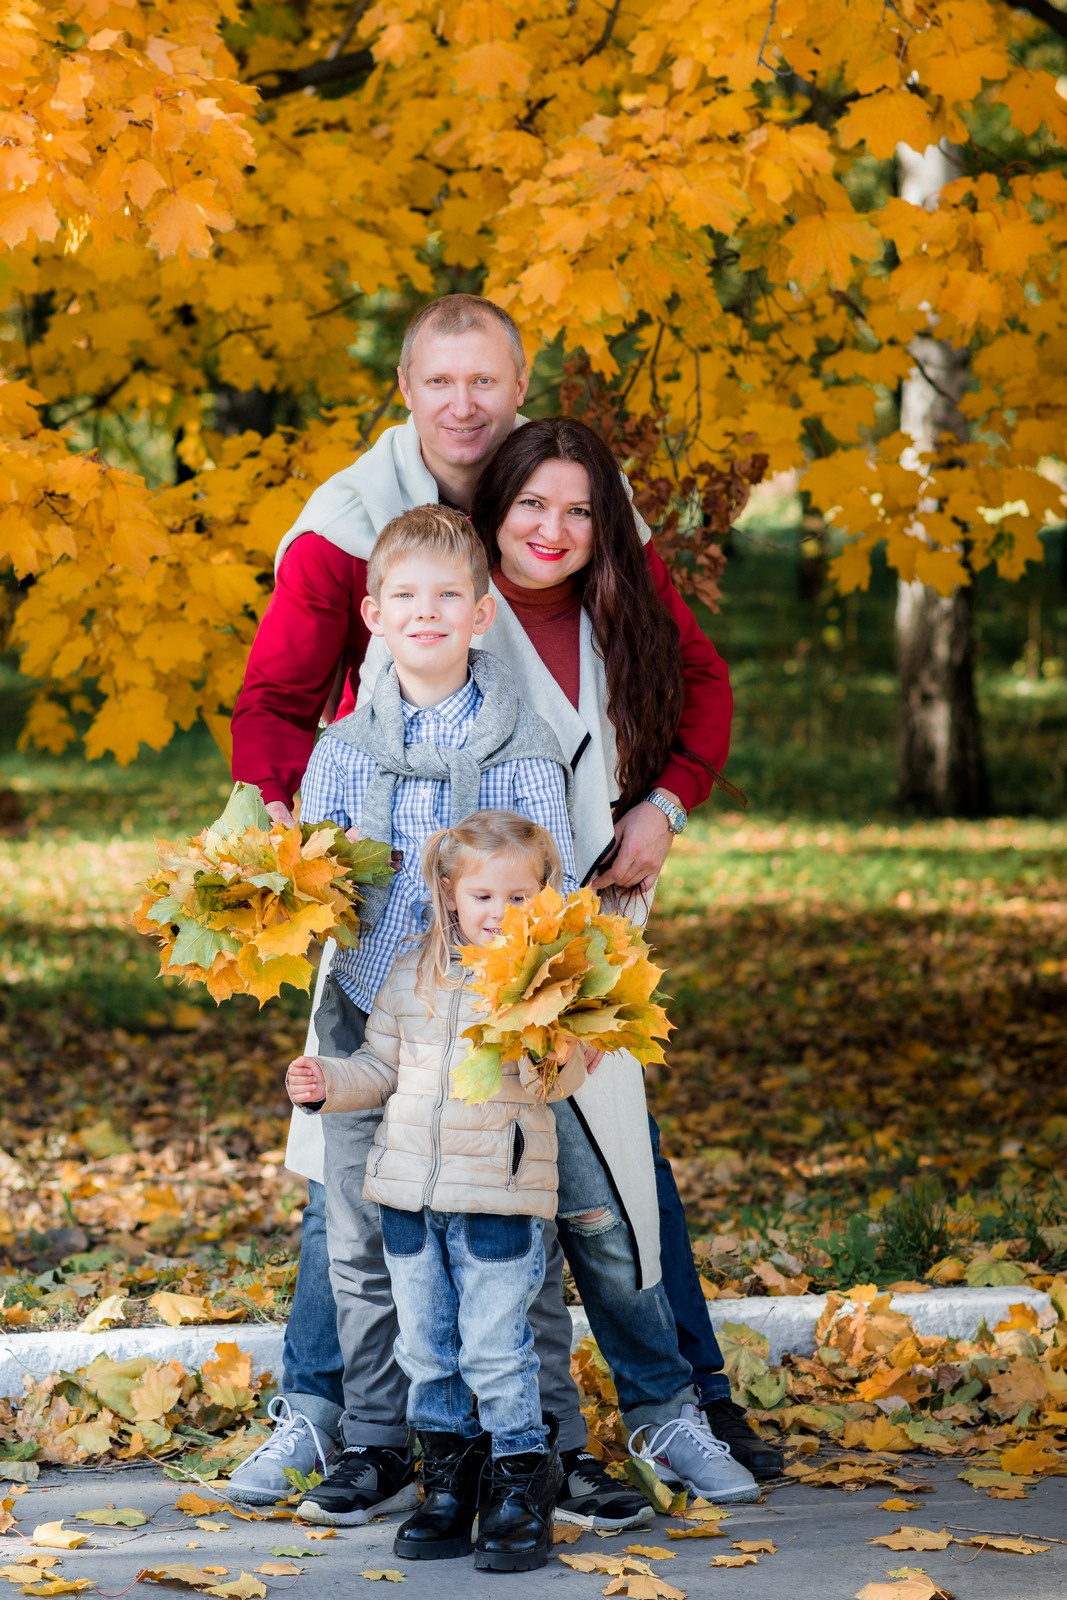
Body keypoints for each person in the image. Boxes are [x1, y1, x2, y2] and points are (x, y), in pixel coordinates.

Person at [465, 415, 782, 1482]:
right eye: (530, 505)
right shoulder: (449, 604)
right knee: (504, 1183)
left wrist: (666, 806)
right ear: (492, 509)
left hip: (594, 935)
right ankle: (522, 1434)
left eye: (578, 510)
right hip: (463, 948)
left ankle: (678, 1403)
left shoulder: (626, 607)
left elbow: (708, 691)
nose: (552, 529)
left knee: (617, 1175)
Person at [287, 813, 591, 1571]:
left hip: (497, 1196)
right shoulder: (409, 972)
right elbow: (380, 1068)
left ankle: (521, 1478)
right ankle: (449, 1480)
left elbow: (561, 1080)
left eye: (520, 898)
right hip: (408, 1201)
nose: (500, 912)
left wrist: (561, 1039)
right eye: (484, 895)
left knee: (495, 1348)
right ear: (450, 894)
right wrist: (329, 1083)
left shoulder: (546, 981)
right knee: (427, 1349)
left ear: (544, 898)